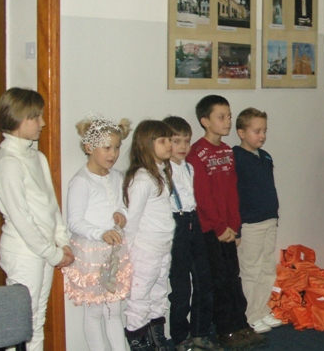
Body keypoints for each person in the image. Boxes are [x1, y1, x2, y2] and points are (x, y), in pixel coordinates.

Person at [0, 88, 74, 351]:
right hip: (23, 252)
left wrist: (62, 240)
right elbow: (22, 219)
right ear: (19, 119)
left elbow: (51, 206)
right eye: (36, 117)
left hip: (44, 249)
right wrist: (52, 253)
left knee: (36, 319)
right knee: (19, 324)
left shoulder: (36, 157)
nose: (43, 123)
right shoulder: (8, 163)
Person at [186, 95, 265, 350]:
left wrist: (234, 226)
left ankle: (240, 324)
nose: (228, 121)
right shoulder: (197, 154)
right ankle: (225, 329)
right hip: (210, 230)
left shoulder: (227, 152)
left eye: (229, 116)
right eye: (221, 117)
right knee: (218, 280)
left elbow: (232, 192)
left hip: (229, 229)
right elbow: (202, 197)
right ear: (205, 121)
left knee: (233, 277)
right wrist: (220, 227)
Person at [61, 113, 132, 351]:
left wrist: (122, 214)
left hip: (114, 252)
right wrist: (100, 233)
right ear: (89, 148)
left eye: (117, 147)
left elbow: (124, 205)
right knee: (94, 311)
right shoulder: (81, 181)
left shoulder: (118, 177)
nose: (113, 154)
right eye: (107, 148)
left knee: (114, 310)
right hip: (91, 253)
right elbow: (74, 222)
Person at [161, 116, 220, 351]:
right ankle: (180, 336)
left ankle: (200, 332)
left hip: (193, 223)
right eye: (176, 141)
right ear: (166, 142)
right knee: (181, 287)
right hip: (176, 225)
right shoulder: (162, 171)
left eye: (186, 141)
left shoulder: (189, 167)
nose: (183, 146)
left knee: (204, 280)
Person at [122, 120, 176, 351]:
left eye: (169, 140)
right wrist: (126, 254)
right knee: (139, 299)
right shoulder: (142, 179)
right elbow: (132, 220)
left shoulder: (160, 173)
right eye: (163, 141)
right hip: (145, 250)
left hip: (162, 248)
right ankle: (140, 344)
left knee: (159, 295)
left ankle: (157, 342)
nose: (169, 145)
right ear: (146, 144)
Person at [233, 108, 284, 330]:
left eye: (264, 131)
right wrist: (236, 228)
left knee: (267, 268)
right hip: (250, 224)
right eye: (257, 131)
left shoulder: (265, 157)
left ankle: (262, 310)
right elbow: (234, 195)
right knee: (251, 271)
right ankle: (249, 315)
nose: (262, 135)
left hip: (269, 220)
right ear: (241, 133)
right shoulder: (236, 157)